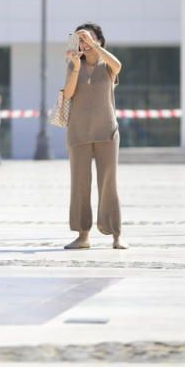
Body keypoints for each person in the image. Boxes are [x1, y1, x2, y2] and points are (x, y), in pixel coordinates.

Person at [61, 23, 127, 250]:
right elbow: (68, 94)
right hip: (78, 133)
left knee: (109, 184)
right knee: (80, 185)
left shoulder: (106, 64)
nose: (84, 43)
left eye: (88, 38)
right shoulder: (73, 64)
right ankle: (83, 236)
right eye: (80, 39)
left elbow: (118, 65)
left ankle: (116, 234)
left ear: (99, 41)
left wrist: (94, 46)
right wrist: (76, 66)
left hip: (106, 132)